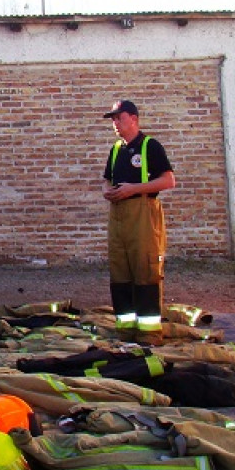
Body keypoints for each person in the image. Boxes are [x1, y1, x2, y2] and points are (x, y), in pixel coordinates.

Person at [100, 99, 176, 339]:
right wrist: (107, 190)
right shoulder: (116, 149)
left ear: (133, 119)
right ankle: (125, 328)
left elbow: (168, 181)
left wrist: (134, 189)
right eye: (113, 119)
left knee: (146, 269)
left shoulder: (150, 146)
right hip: (119, 215)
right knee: (120, 269)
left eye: (119, 118)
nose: (115, 123)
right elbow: (107, 179)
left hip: (143, 213)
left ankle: (149, 334)